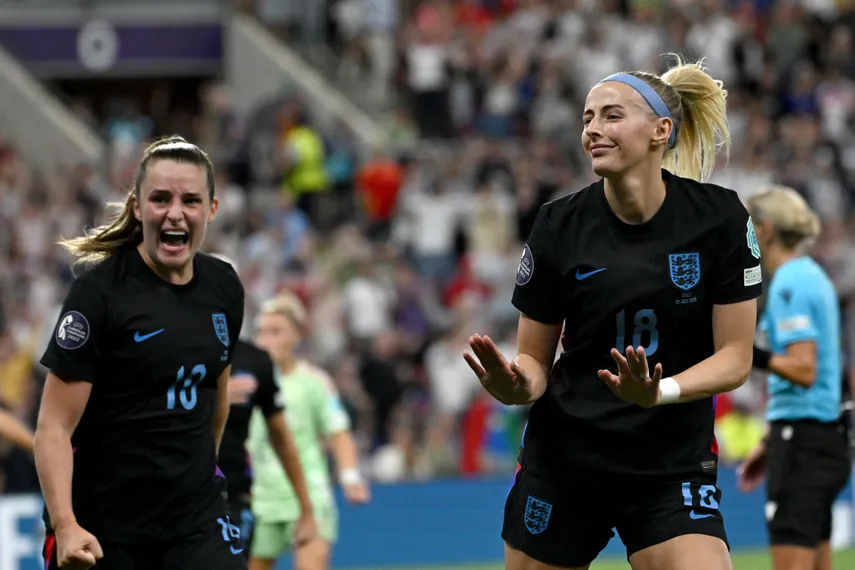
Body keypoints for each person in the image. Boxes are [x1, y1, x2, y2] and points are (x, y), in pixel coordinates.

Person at [463, 56, 761, 570]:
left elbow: (735, 357)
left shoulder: (721, 219)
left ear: (660, 131)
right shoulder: (559, 225)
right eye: (587, 118)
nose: (593, 130)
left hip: (670, 463)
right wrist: (515, 385)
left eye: (611, 116)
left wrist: (659, 392)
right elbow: (534, 363)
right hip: (568, 459)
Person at [35, 136, 247, 570]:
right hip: (106, 529)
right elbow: (54, 426)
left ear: (211, 209)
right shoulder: (98, 294)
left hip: (195, 523)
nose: (175, 213)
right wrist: (66, 525)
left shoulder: (224, 286)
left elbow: (215, 396)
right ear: (136, 206)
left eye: (190, 200)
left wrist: (199, 474)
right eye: (160, 198)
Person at [737, 187, 851, 570]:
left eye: (749, 224)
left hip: (803, 441)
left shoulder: (790, 284)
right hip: (817, 436)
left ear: (765, 229)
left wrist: (745, 353)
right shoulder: (811, 276)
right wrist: (771, 441)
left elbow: (803, 369)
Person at [248, 292, 370, 570]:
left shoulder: (314, 382)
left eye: (276, 331)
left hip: (309, 497)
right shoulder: (244, 383)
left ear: (297, 335)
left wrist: (350, 475)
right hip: (260, 498)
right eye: (262, 332)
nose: (266, 340)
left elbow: (338, 432)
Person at [209, 253, 318, 558]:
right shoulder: (167, 352)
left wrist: (306, 509)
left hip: (233, 496)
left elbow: (282, 438)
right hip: (174, 495)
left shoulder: (255, 361)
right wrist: (214, 398)